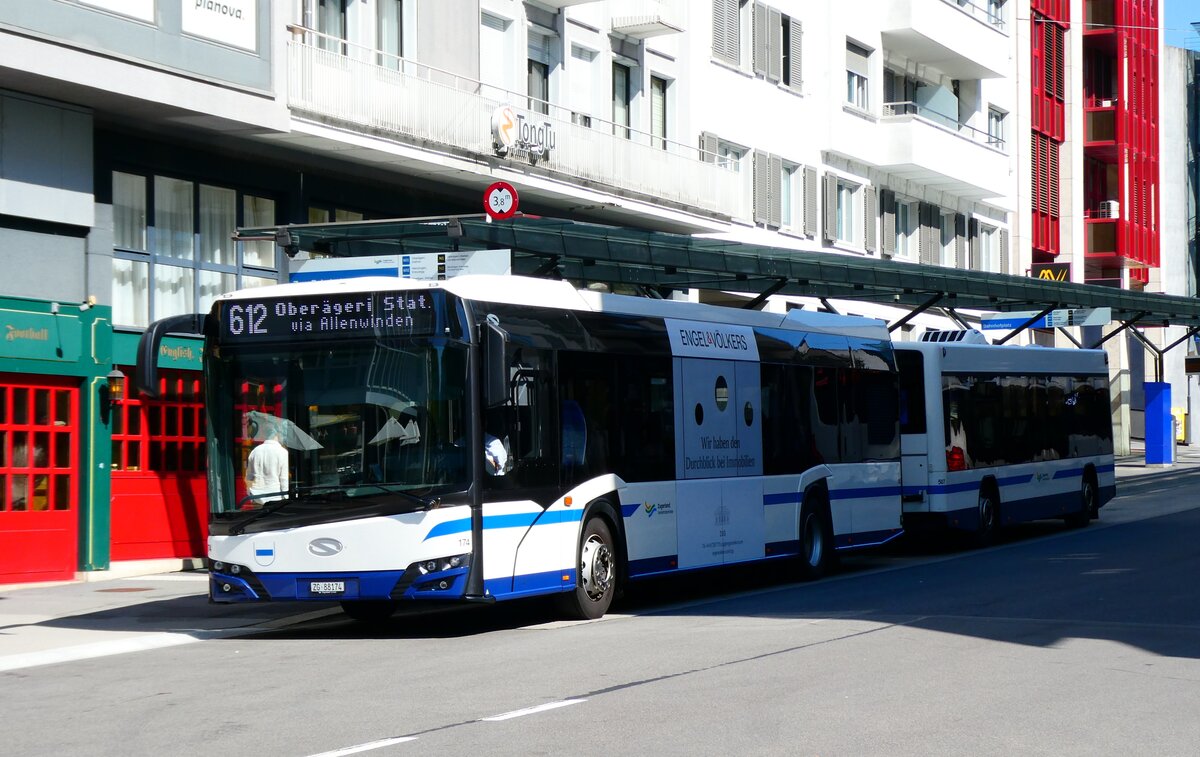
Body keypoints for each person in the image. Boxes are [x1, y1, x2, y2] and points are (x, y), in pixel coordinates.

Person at [245, 427, 289, 503]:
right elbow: (283, 478)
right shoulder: (283, 452)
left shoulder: (255, 451)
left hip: (256, 496)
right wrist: (286, 497)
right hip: (275, 496)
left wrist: (249, 494)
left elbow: (249, 477)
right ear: (277, 435)